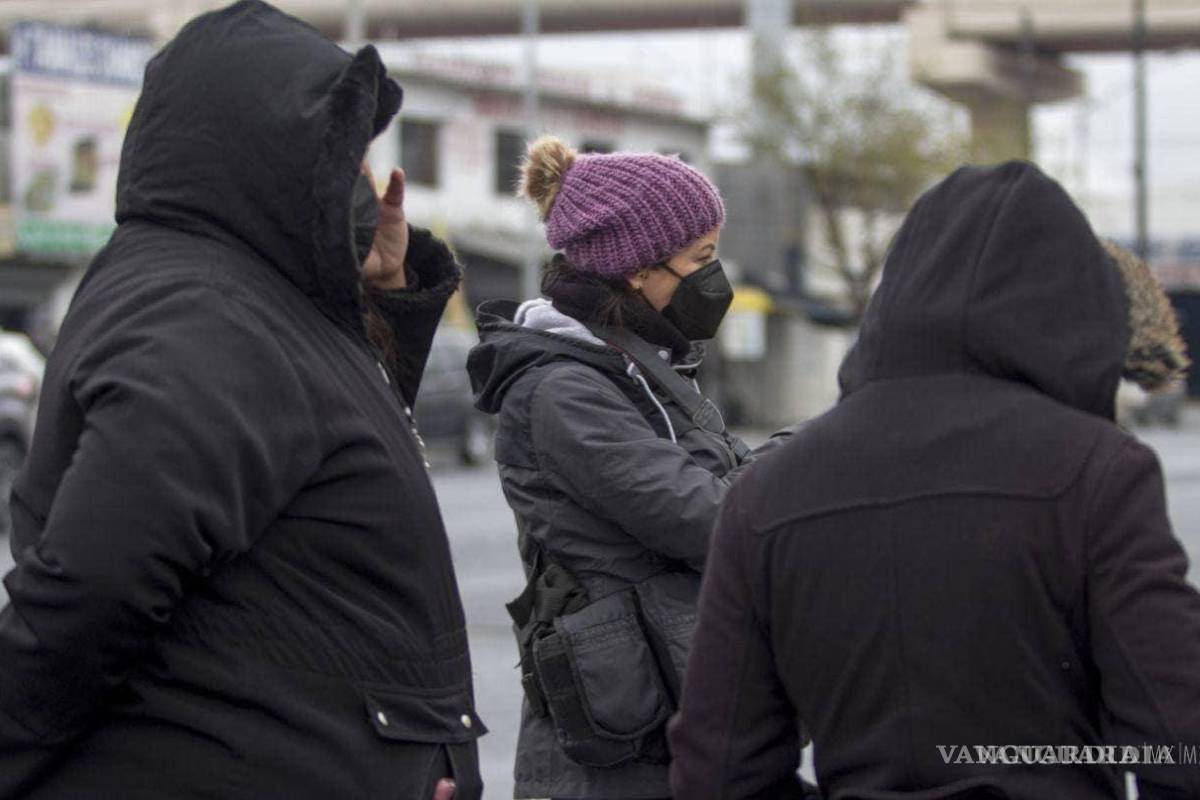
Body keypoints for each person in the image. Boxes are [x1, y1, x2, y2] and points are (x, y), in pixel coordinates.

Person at [0, 2, 482, 798]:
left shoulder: (252, 294)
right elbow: (92, 591)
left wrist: (384, 297)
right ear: (262, 150)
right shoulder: (205, 313)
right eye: (341, 153)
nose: (361, 180)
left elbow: (319, 462)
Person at [669, 161, 1200, 799]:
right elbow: (1180, 740)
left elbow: (718, 773)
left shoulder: (765, 493)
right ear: (1077, 312)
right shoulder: (1097, 471)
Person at [467, 136, 796, 800]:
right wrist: (823, 454)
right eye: (701, 258)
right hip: (614, 756)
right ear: (638, 270)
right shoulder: (562, 392)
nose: (715, 276)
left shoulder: (640, 369)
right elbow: (708, 517)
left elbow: (730, 482)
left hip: (669, 711)